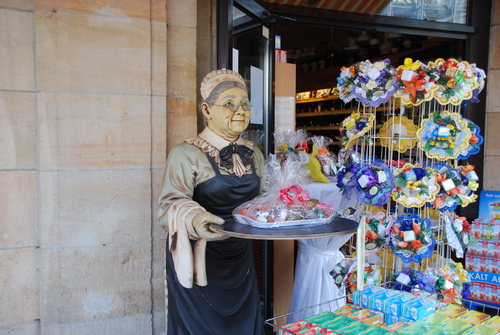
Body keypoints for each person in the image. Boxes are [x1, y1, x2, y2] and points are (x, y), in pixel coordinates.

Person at [158, 69, 266, 334]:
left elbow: (265, 198)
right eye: (229, 104)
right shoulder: (185, 154)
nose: (239, 111)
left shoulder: (255, 154)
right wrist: (195, 218)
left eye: (244, 104)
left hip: (240, 255)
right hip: (199, 258)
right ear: (206, 110)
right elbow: (169, 204)